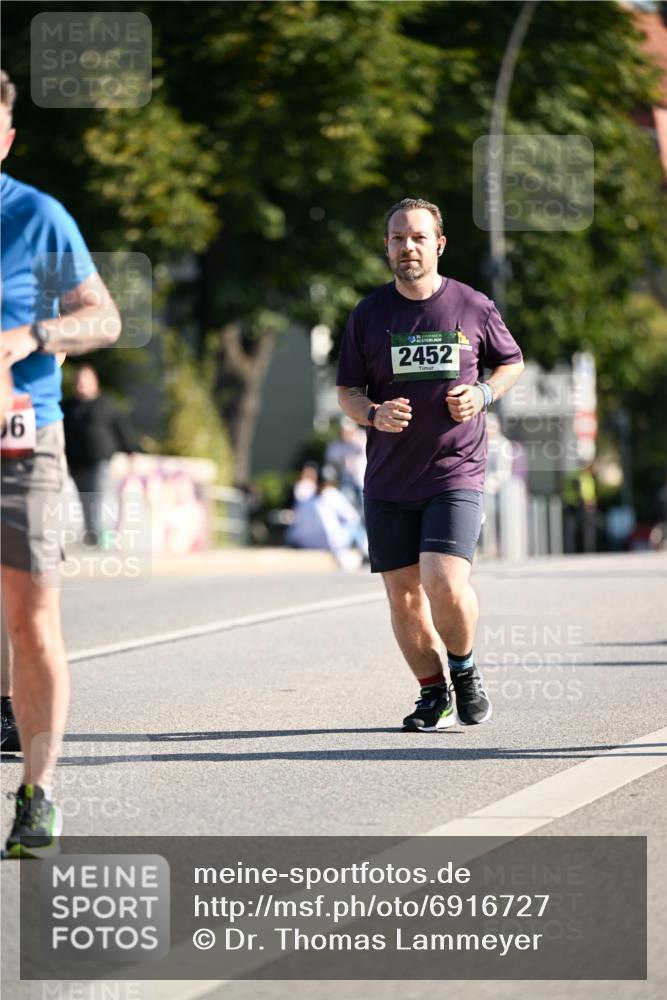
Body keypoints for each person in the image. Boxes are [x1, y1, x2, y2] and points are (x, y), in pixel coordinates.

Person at [336, 197, 524, 731]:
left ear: (438, 244)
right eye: (398, 238)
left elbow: (512, 361)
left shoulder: (471, 305)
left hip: (454, 472)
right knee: (404, 597)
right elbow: (347, 391)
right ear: (387, 247)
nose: (407, 247)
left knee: (443, 582)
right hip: (390, 481)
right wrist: (373, 413)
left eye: (418, 237)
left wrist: (483, 394)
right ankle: (432, 692)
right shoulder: (368, 315)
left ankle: (464, 671)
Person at [1, 69, 121, 857]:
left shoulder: (37, 218)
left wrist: (35, 337)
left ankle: (37, 794)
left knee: (31, 615)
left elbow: (105, 318)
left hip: (19, 441)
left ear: (5, 137)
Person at [63, 363, 138, 544]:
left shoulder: (105, 404)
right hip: (75, 462)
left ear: (94, 382)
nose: (81, 385)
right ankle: (92, 536)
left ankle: (97, 537)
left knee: (95, 498)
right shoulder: (68, 407)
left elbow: (122, 429)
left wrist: (131, 451)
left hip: (99, 461)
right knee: (84, 500)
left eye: (85, 381)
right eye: (78, 381)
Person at [286, 464, 368, 567]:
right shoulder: (331, 494)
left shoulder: (307, 497)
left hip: (307, 542)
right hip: (330, 543)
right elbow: (353, 517)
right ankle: (367, 552)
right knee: (355, 528)